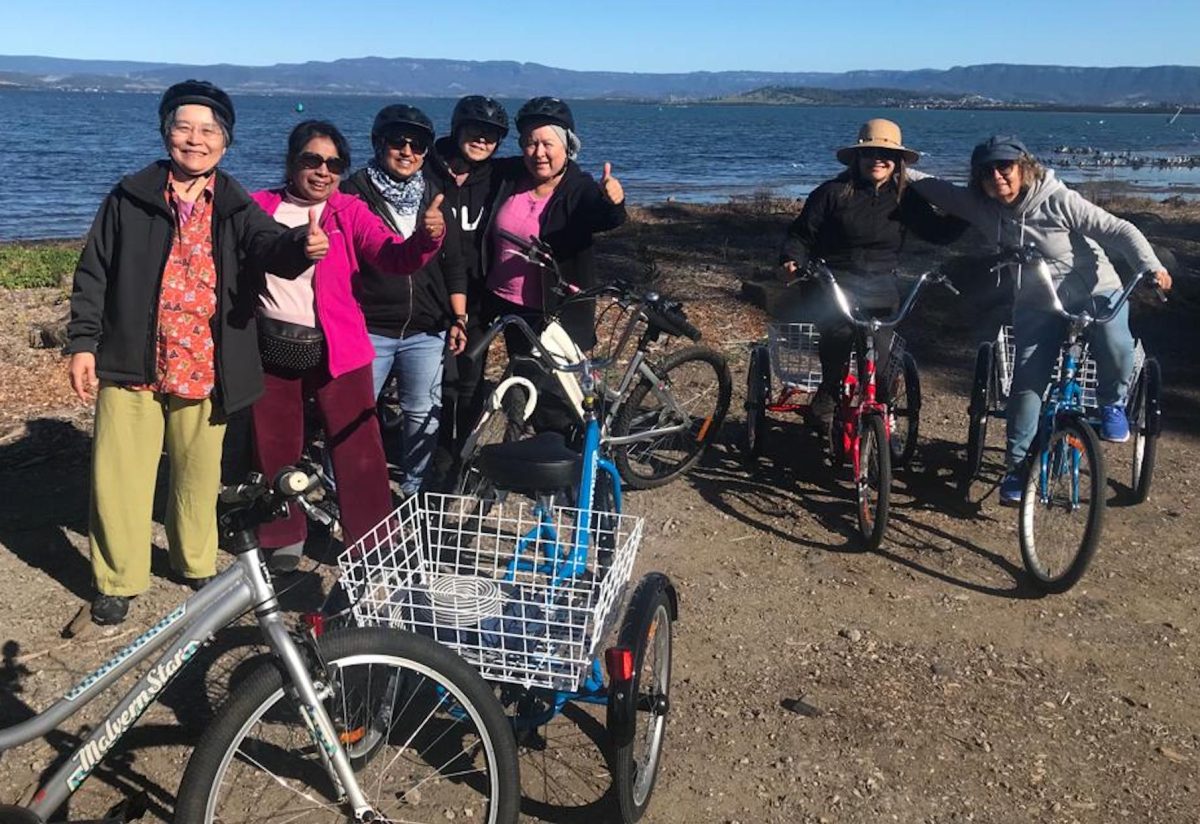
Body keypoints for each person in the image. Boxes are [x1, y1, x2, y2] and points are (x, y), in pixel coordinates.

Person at [66, 80, 326, 625]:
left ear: (224, 143)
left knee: (198, 474)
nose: (195, 139)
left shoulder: (235, 204)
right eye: (183, 127)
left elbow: (267, 247)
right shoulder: (129, 196)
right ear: (166, 133)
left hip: (206, 363)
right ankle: (118, 578)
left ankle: (195, 561)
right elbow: (95, 272)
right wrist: (82, 343)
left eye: (208, 130)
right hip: (130, 359)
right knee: (120, 476)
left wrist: (300, 246)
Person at [907, 135, 1173, 504]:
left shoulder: (1057, 199)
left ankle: (1112, 402)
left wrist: (1152, 266)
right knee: (1027, 382)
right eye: (987, 171)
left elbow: (1119, 230)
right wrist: (889, 164)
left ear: (1023, 168)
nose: (997, 176)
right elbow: (934, 188)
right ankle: (1018, 467)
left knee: (1115, 339)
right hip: (1038, 299)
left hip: (1095, 288)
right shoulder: (981, 205)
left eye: (1005, 167)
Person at [249, 120, 445, 572]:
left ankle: (373, 541)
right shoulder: (259, 207)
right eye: (312, 160)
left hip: (342, 346)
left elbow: (393, 257)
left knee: (360, 448)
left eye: (334, 164)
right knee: (276, 445)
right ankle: (283, 534)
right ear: (292, 161)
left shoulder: (349, 211)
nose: (323, 171)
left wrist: (426, 238)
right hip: (273, 344)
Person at [779, 118, 965, 432]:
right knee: (837, 337)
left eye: (887, 154)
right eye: (870, 153)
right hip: (833, 280)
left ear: (897, 162)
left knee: (882, 358)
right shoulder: (832, 193)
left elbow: (938, 232)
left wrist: (969, 212)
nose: (878, 159)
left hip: (881, 284)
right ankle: (827, 395)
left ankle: (881, 419)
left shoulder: (905, 199)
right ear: (858, 158)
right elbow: (800, 234)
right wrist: (791, 260)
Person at [340, 104, 467, 498]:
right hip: (369, 327)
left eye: (419, 144)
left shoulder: (434, 193)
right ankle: (340, 486)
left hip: (426, 329)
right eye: (398, 141)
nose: (408, 151)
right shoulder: (351, 192)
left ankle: (415, 491)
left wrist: (458, 317)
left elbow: (454, 261)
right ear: (379, 144)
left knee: (422, 413)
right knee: (353, 417)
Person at [483, 96, 627, 354]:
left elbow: (605, 217)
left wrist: (612, 201)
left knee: (551, 387)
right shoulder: (512, 177)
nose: (538, 153)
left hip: (552, 309)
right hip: (500, 300)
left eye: (547, 144)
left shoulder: (578, 188)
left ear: (567, 146)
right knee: (519, 373)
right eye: (530, 143)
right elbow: (473, 165)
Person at [428, 95, 510, 454]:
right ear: (457, 129)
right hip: (429, 292)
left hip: (478, 296)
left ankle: (459, 452)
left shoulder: (500, 175)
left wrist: (608, 201)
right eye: (475, 130)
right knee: (433, 381)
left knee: (469, 380)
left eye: (491, 134)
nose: (482, 139)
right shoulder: (426, 166)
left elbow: (551, 171)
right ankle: (430, 447)